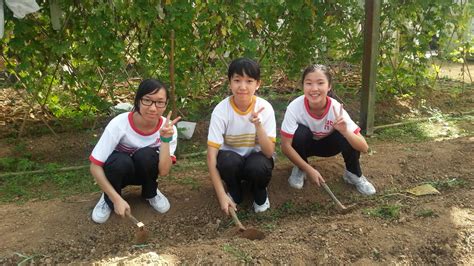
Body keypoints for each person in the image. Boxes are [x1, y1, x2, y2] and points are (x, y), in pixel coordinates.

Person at [89, 78, 181, 224]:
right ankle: (108, 197)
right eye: (147, 100)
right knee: (120, 161)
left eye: (159, 102)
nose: (153, 108)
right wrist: (116, 199)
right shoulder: (119, 124)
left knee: (147, 154)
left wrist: (165, 140)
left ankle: (151, 193)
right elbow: (95, 166)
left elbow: (163, 171)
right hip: (119, 172)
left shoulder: (169, 129)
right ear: (138, 100)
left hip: (144, 173)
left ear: (165, 104)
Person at [280, 64, 375, 195]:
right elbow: (285, 146)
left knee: (347, 134)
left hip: (329, 147)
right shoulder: (294, 107)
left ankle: (353, 174)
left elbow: (364, 147)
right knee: (299, 133)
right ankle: (301, 168)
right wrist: (308, 169)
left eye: (320, 83)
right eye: (309, 83)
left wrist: (345, 131)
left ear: (329, 86)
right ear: (303, 86)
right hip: (305, 147)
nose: (314, 89)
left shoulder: (336, 109)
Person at [207, 58, 276, 215]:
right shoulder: (221, 111)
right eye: (237, 80)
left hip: (257, 159)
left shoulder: (265, 108)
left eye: (249, 81)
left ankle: (259, 191)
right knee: (228, 161)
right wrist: (221, 195)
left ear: (257, 84)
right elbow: (211, 157)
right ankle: (234, 189)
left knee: (258, 167)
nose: (242, 87)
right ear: (230, 82)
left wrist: (258, 125)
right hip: (232, 162)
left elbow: (269, 152)